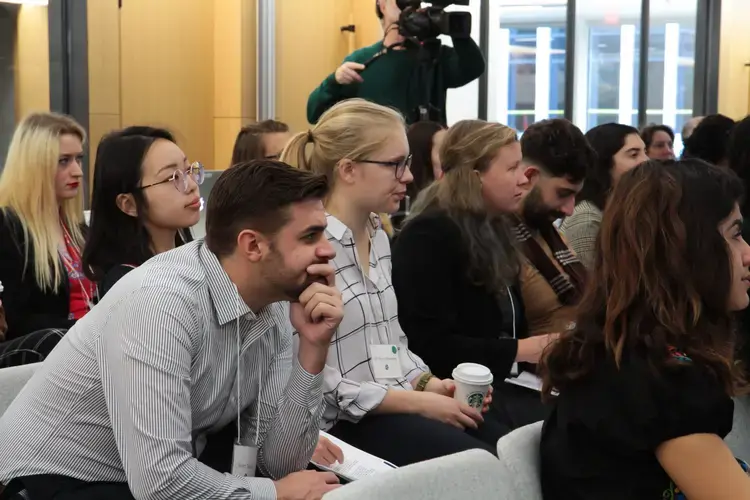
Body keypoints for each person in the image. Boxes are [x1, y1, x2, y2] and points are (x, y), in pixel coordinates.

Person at [0, 161, 345, 500]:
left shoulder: (274, 304)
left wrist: (313, 349)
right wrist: (273, 494)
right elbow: (160, 481)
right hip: (50, 481)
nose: (328, 250)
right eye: (310, 236)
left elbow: (279, 464)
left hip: (136, 480)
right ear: (252, 245)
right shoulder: (160, 303)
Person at [281, 99, 501, 466]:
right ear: (348, 169)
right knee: (480, 465)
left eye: (408, 163)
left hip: (389, 407)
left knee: (506, 448)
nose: (409, 177)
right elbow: (316, 384)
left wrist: (429, 384)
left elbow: (389, 345)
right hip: (338, 427)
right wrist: (419, 402)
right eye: (395, 165)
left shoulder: (378, 234)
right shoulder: (307, 250)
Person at [539, 159, 750, 499]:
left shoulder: (620, 354)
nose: (747, 254)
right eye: (736, 235)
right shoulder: (657, 381)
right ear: (685, 252)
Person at [392, 119, 557, 431]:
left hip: (501, 384)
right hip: (455, 391)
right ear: (475, 176)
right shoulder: (428, 235)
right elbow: (428, 344)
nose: (524, 179)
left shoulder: (495, 227)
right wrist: (524, 349)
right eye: (512, 169)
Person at [0, 112, 89, 366]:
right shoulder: (8, 227)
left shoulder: (78, 228)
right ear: (34, 165)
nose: (77, 171)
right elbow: (17, 319)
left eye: (78, 159)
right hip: (49, 354)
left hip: (93, 345)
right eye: (63, 161)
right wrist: (87, 327)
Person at [306, 0, 485, 125]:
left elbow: (474, 67)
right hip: (378, 163)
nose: (408, 5)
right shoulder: (361, 61)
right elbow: (314, 113)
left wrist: (452, 28)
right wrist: (334, 81)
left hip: (425, 164)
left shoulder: (434, 56)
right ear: (381, 4)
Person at [82, 127, 200, 298]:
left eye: (188, 171)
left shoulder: (193, 261)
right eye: (171, 178)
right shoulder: (131, 284)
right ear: (129, 204)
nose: (192, 185)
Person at [514, 118, 595, 336]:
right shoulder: (493, 241)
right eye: (563, 194)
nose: (569, 210)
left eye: (575, 196)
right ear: (529, 176)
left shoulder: (548, 232)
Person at [560, 123, 648, 269]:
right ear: (604, 163)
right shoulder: (586, 219)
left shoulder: (622, 208)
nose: (645, 161)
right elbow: (588, 286)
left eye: (645, 152)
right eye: (634, 154)